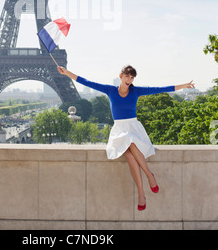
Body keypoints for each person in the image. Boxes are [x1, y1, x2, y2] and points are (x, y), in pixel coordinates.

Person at [57, 64, 194, 211]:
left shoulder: (135, 91)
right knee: (129, 151)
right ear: (121, 76)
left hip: (133, 128)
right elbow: (87, 82)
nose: (130, 79)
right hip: (119, 130)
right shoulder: (110, 90)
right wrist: (66, 73)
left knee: (130, 148)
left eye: (132, 77)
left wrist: (184, 85)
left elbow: (159, 89)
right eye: (127, 76)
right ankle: (146, 182)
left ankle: (144, 186)